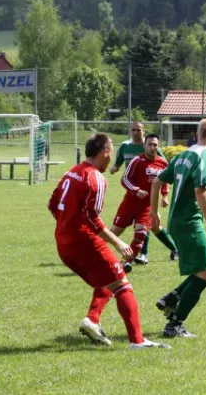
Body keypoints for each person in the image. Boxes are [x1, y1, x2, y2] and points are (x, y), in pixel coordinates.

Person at [48, 133, 169, 349]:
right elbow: (92, 218)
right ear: (104, 153)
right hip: (84, 241)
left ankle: (92, 321)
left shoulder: (71, 172)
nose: (111, 158)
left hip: (62, 244)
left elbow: (53, 204)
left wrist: (66, 225)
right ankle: (137, 341)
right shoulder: (95, 178)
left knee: (107, 279)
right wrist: (118, 243)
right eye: (111, 154)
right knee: (122, 284)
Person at [150, 118, 206, 338]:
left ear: (197, 133)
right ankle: (174, 324)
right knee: (204, 275)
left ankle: (172, 298)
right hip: (189, 222)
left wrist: (154, 213)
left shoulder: (183, 155)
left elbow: (156, 182)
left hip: (175, 221)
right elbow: (201, 190)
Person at [110, 134, 179, 272]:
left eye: (155, 145)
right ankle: (87, 253)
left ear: (158, 146)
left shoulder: (163, 163)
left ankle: (126, 261)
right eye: (149, 144)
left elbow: (163, 181)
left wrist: (164, 195)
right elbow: (125, 179)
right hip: (130, 203)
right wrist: (136, 190)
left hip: (147, 206)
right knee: (113, 233)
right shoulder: (137, 160)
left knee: (141, 232)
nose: (152, 147)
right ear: (144, 145)